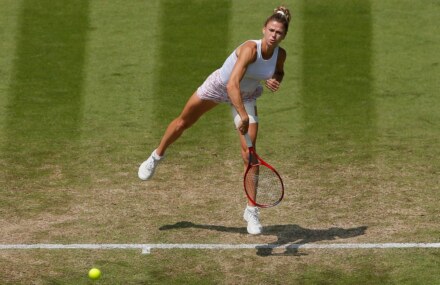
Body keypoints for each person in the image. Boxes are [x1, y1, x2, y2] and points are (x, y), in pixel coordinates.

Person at [138, 6, 291, 235]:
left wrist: (275, 80)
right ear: (263, 29)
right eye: (271, 30)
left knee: (250, 154)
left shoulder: (280, 55)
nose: (273, 35)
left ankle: (251, 210)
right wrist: (242, 115)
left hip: (247, 95)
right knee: (183, 123)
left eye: (279, 33)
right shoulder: (250, 49)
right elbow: (231, 85)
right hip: (220, 86)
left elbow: (278, 72)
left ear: (283, 35)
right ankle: (156, 155)